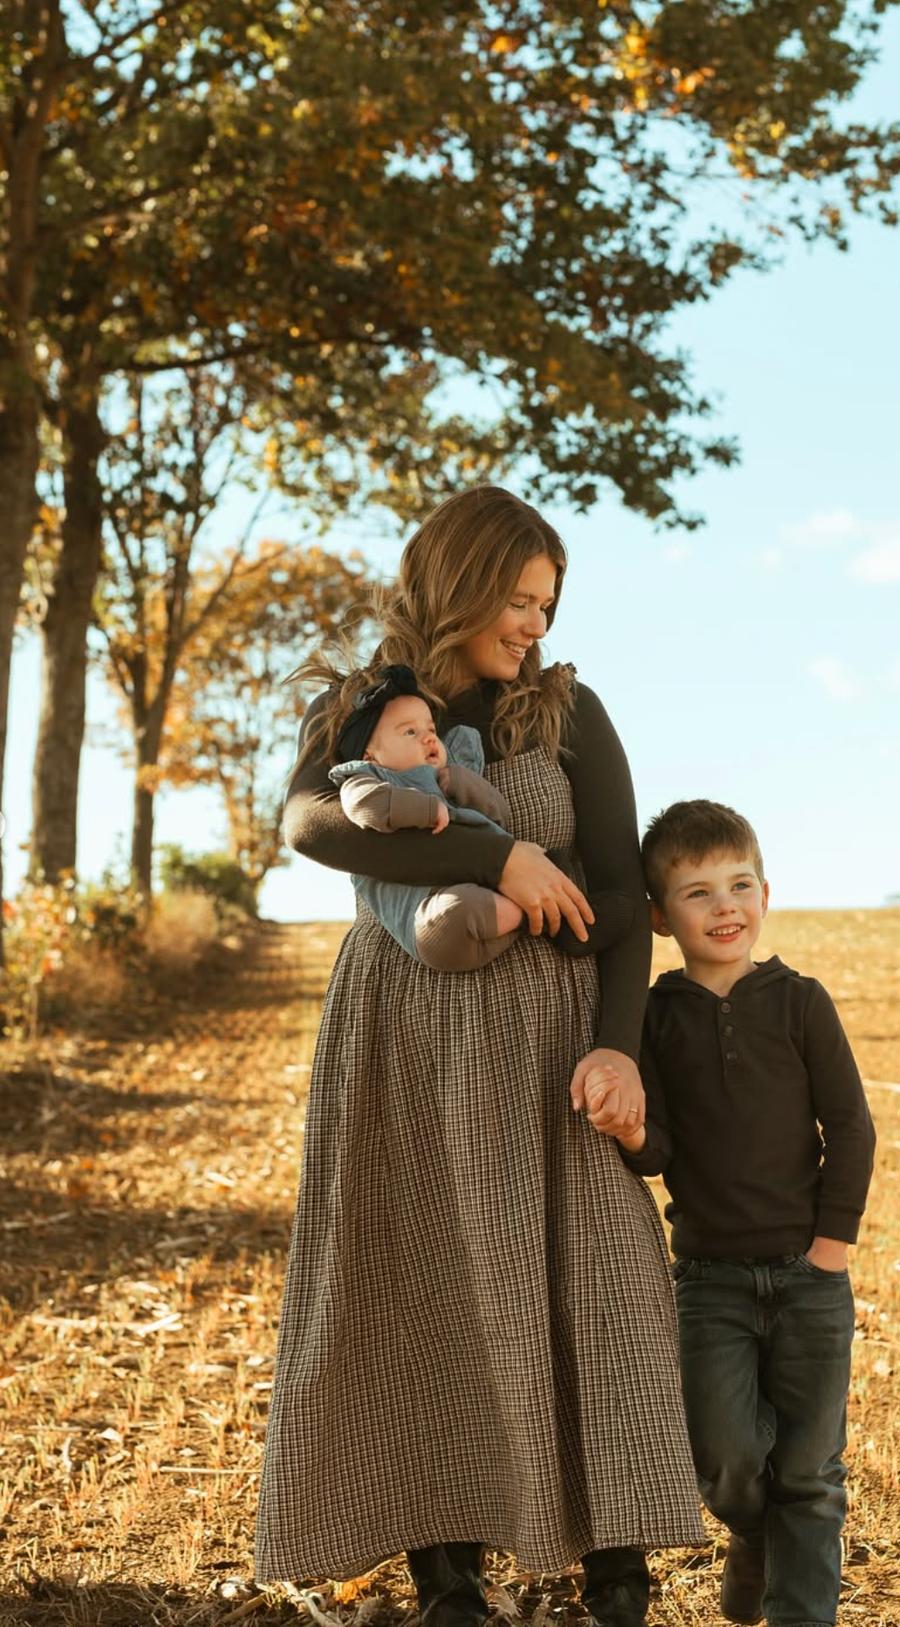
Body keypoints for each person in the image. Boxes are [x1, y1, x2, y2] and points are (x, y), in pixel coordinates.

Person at [254, 487, 703, 1627]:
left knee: (599, 1269)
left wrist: (617, 1045)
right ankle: (445, 1570)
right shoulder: (371, 703)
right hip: (401, 1032)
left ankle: (616, 1563)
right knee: (420, 1275)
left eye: (547, 605)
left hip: (555, 1034)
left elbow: (612, 885)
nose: (534, 627)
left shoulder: (570, 713)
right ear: (460, 581)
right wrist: (497, 857)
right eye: (518, 598)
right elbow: (306, 822)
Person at [582, 800, 876, 1627]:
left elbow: (850, 1127)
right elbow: (659, 1150)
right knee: (728, 1463)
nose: (725, 907)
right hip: (708, 1279)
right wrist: (636, 1131)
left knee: (812, 1473)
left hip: (811, 1278)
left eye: (740, 885)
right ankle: (752, 1534)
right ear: (658, 914)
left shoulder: (801, 1002)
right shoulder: (654, 1015)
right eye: (699, 892)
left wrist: (830, 1251)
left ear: (766, 893)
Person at [328, 664, 632, 971]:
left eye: (431, 730)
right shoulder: (367, 777)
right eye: (410, 732)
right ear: (369, 754)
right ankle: (540, 917)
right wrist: (424, 809)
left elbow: (498, 814)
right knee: (456, 911)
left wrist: (464, 783)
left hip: (487, 894)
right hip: (430, 919)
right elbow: (365, 807)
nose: (428, 739)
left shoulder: (450, 775)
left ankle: (568, 921)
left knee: (545, 863)